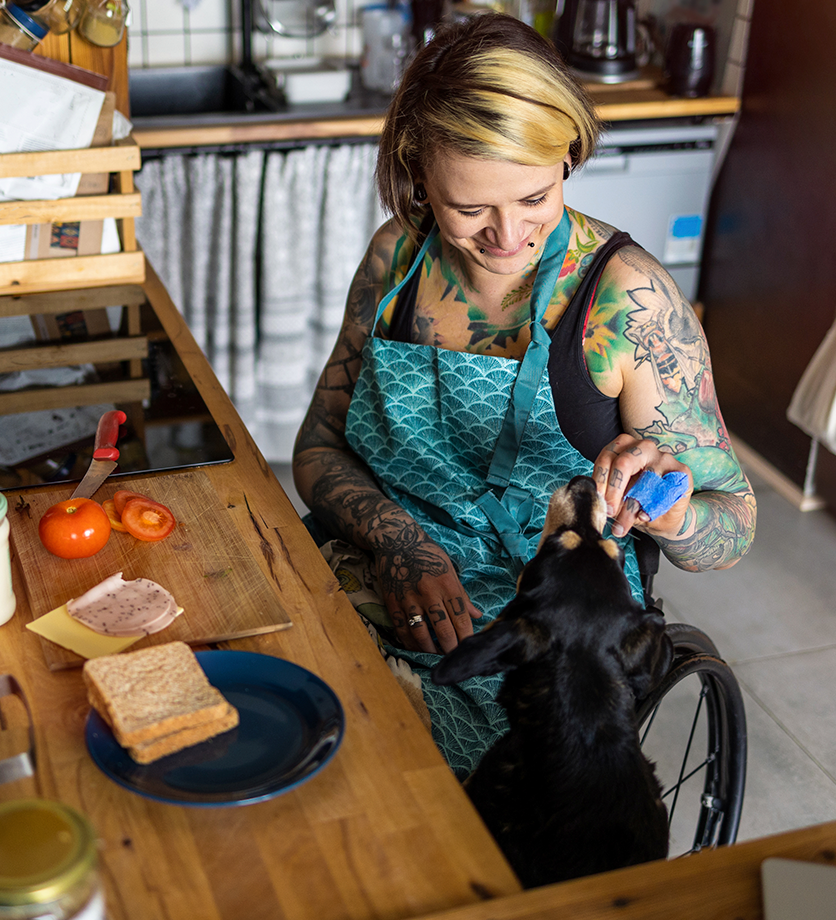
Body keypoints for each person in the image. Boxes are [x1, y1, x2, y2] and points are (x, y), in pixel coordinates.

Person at [292, 11, 756, 778]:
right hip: (372, 566)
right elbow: (318, 446)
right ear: (417, 173)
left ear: (568, 156)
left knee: (392, 784)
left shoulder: (626, 304)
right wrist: (402, 544)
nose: (508, 236)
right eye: (470, 209)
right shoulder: (395, 262)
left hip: (539, 635)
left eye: (535, 198)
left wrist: (672, 512)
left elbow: (733, 528)